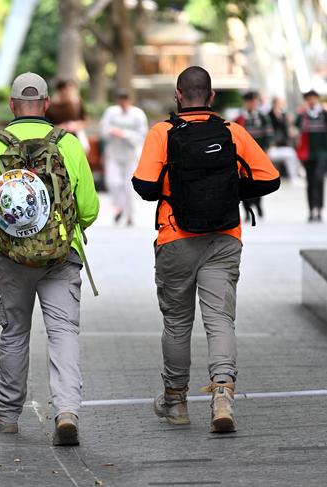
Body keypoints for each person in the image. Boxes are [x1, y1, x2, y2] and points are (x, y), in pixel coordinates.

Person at [0, 72, 99, 446]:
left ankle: (8, 414)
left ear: (12, 105)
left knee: (14, 333)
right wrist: (64, 230)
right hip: (62, 256)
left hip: (10, 257)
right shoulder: (68, 144)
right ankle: (66, 411)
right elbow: (89, 207)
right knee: (63, 332)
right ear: (46, 105)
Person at [132, 66, 280, 433]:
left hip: (176, 238)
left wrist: (178, 189)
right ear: (211, 97)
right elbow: (270, 179)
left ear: (178, 96)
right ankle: (223, 396)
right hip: (224, 236)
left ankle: (176, 401)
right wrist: (229, 190)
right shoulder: (233, 132)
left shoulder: (162, 133)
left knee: (178, 323)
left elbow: (146, 187)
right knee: (219, 320)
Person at [99, 89, 148, 225]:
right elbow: (103, 129)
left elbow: (142, 135)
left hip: (130, 156)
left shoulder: (138, 114)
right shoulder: (111, 112)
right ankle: (120, 207)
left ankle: (130, 215)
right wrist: (111, 132)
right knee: (113, 183)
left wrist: (125, 134)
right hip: (114, 154)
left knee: (129, 186)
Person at [235, 91, 273, 220]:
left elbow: (268, 135)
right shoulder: (240, 119)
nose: (251, 104)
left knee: (258, 180)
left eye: (253, 101)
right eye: (248, 101)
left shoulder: (262, 117)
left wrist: (266, 151)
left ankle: (258, 204)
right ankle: (247, 210)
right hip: (243, 156)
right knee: (244, 182)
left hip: (257, 155)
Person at [296, 90, 327, 222]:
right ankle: (311, 210)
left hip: (322, 153)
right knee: (309, 181)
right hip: (307, 154)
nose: (311, 101)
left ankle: (319, 209)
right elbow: (295, 129)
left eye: (313, 98)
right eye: (308, 99)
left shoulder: (324, 114)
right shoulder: (303, 116)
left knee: (319, 179)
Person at [46, 79, 90, 153]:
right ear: (60, 91)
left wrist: (76, 125)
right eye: (67, 90)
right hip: (56, 137)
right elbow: (45, 126)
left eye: (72, 90)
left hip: (75, 136)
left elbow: (86, 121)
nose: (70, 93)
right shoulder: (50, 106)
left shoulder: (77, 103)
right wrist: (60, 127)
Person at [268, 97, 301, 184]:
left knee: (291, 153)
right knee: (289, 153)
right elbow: (269, 132)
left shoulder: (284, 115)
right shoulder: (268, 116)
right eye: (279, 103)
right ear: (274, 103)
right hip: (271, 146)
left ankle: (294, 176)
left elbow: (288, 131)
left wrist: (290, 123)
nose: (281, 105)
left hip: (283, 145)